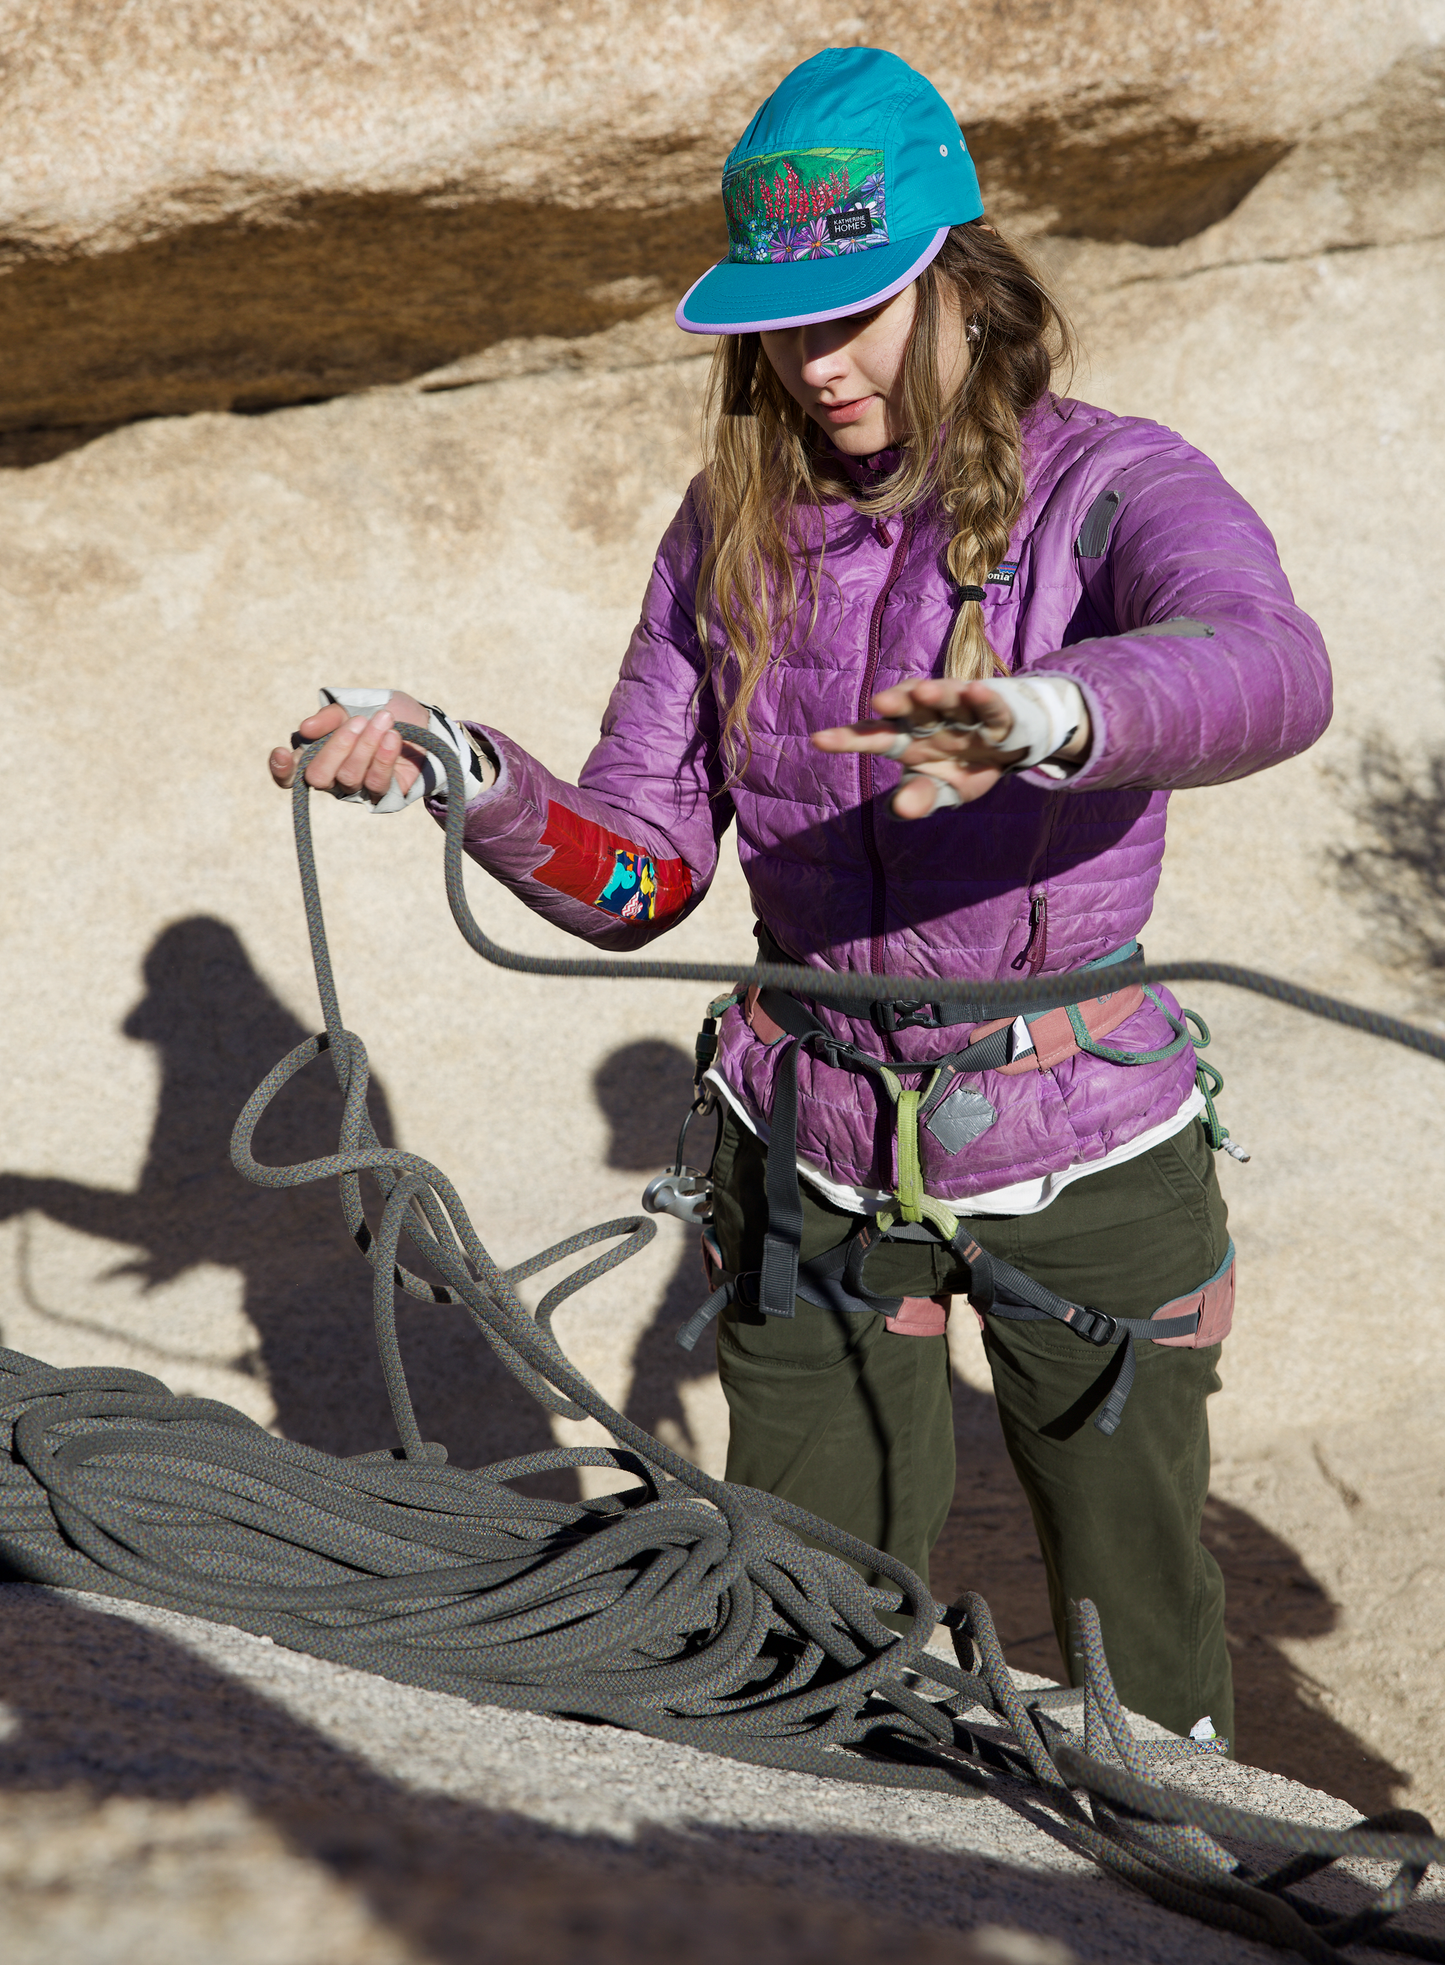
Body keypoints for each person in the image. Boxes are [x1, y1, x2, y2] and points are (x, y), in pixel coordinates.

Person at [269, 47, 1331, 1745]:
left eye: (858, 312)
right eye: (782, 320)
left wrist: (1053, 711)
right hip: (818, 1148)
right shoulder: (726, 530)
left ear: (956, 280)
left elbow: (1270, 666)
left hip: (1088, 1145)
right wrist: (467, 773)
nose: (815, 361)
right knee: (800, 1626)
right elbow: (643, 874)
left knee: (1140, 1628)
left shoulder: (1115, 485)